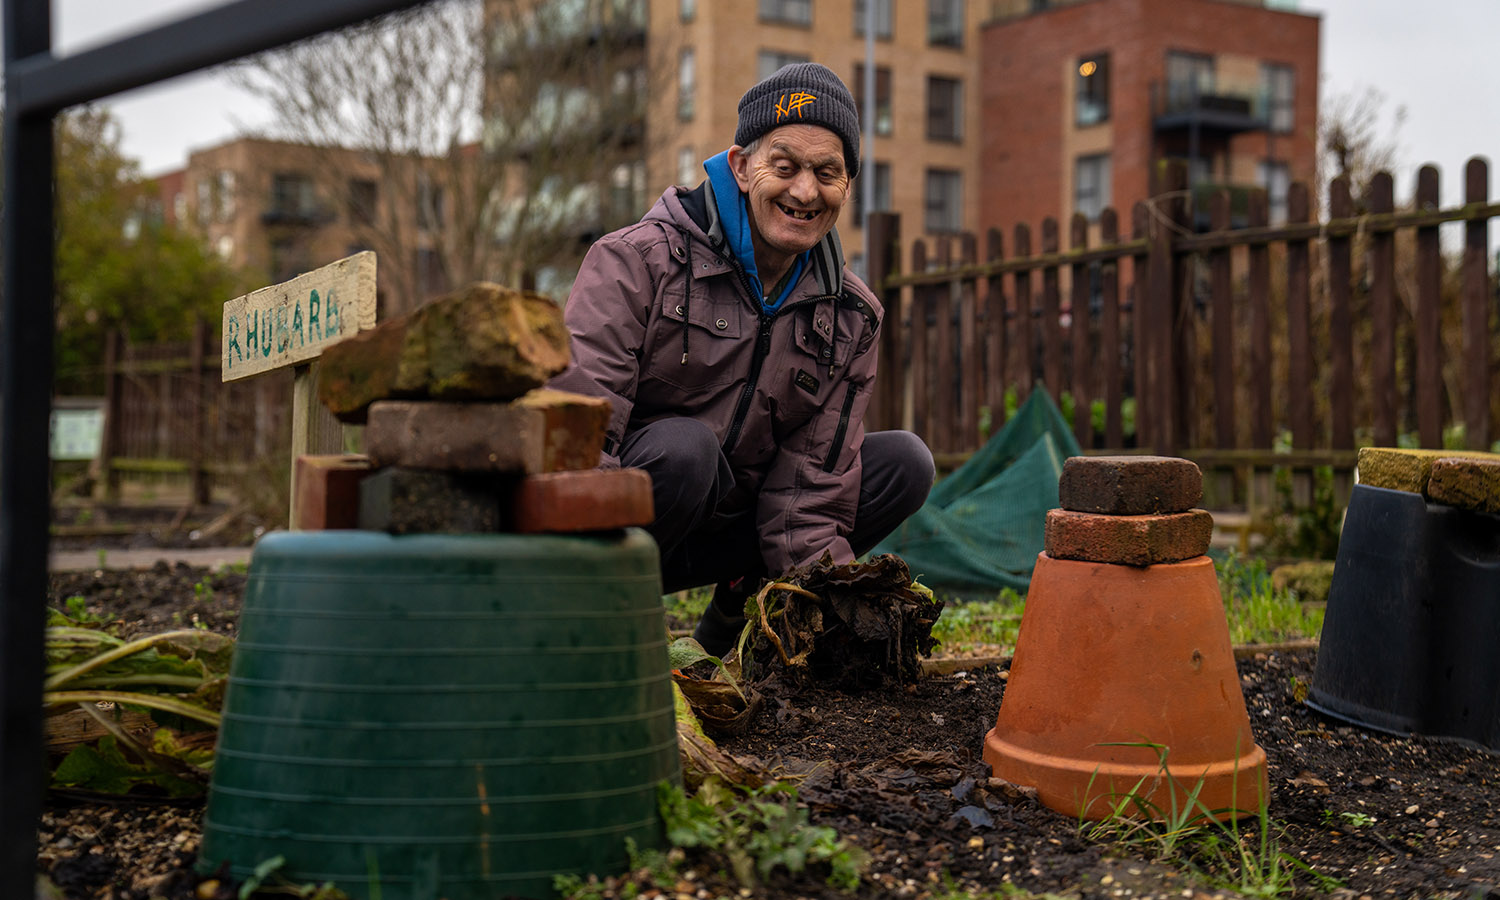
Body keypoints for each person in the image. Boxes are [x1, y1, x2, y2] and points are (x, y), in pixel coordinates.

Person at [549, 62, 934, 655]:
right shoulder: (635, 262)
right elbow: (578, 439)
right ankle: (599, 617)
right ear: (740, 166)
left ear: (847, 186)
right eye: (785, 166)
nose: (805, 191)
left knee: (903, 462)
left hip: (735, 530)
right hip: (634, 517)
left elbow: (815, 485)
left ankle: (743, 613)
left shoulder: (852, 317)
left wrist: (837, 621)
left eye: (827, 172)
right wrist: (563, 581)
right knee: (687, 448)